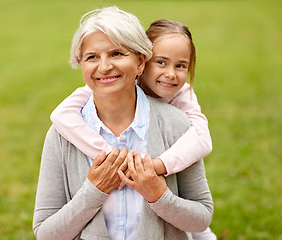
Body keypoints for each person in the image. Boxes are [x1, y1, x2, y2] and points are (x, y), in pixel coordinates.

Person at [33, 6, 213, 240]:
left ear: (140, 62)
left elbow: (202, 219)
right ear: (82, 65)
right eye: (92, 57)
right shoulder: (62, 135)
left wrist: (159, 195)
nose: (104, 66)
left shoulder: (177, 123)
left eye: (117, 53)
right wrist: (94, 191)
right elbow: (45, 234)